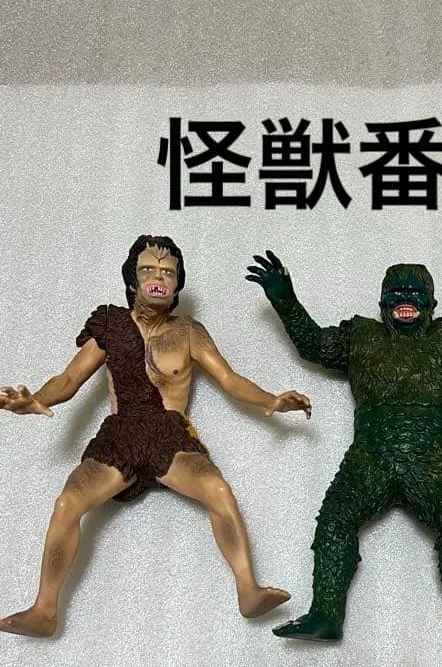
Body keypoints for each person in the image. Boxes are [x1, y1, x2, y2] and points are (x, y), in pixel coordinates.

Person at [248, 249, 442, 649]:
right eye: (396, 292)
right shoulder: (360, 335)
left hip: (433, 458)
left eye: (415, 293)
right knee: (335, 521)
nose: (405, 299)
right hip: (370, 456)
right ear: (382, 302)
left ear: (432, 304)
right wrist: (284, 297)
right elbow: (314, 345)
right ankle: (326, 614)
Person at [0, 235, 311, 637]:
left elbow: (230, 379)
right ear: (132, 279)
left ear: (178, 284)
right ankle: (44, 610)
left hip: (170, 436)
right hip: (121, 435)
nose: (158, 277)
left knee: (218, 490)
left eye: (168, 272)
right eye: (148, 269)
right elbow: (69, 378)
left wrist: (272, 400)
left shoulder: (189, 331)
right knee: (67, 503)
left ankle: (248, 590)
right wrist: (36, 399)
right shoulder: (111, 324)